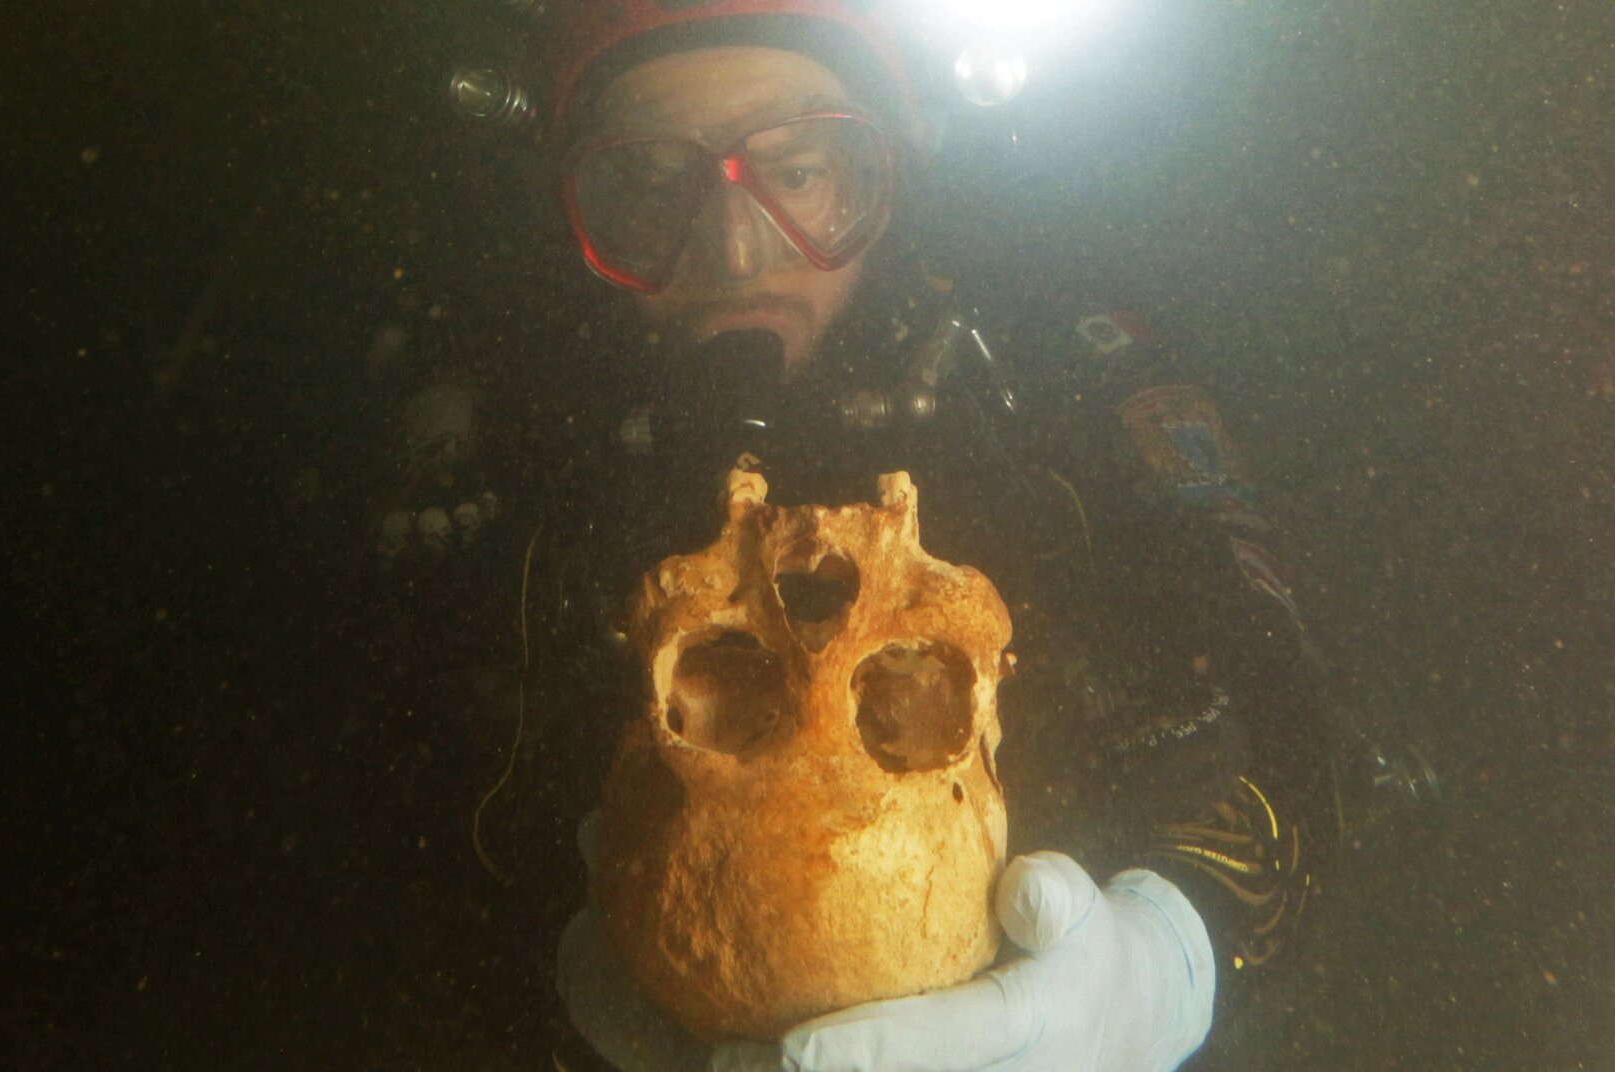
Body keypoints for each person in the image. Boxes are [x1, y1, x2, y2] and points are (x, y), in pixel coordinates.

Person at [375, 1, 1334, 1068]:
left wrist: (1168, 955)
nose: (737, 253)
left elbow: (1287, 706)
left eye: (801, 172)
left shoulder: (1056, 371)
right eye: (648, 182)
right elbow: (416, 819)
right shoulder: (518, 440)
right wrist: (543, 979)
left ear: (890, 172)